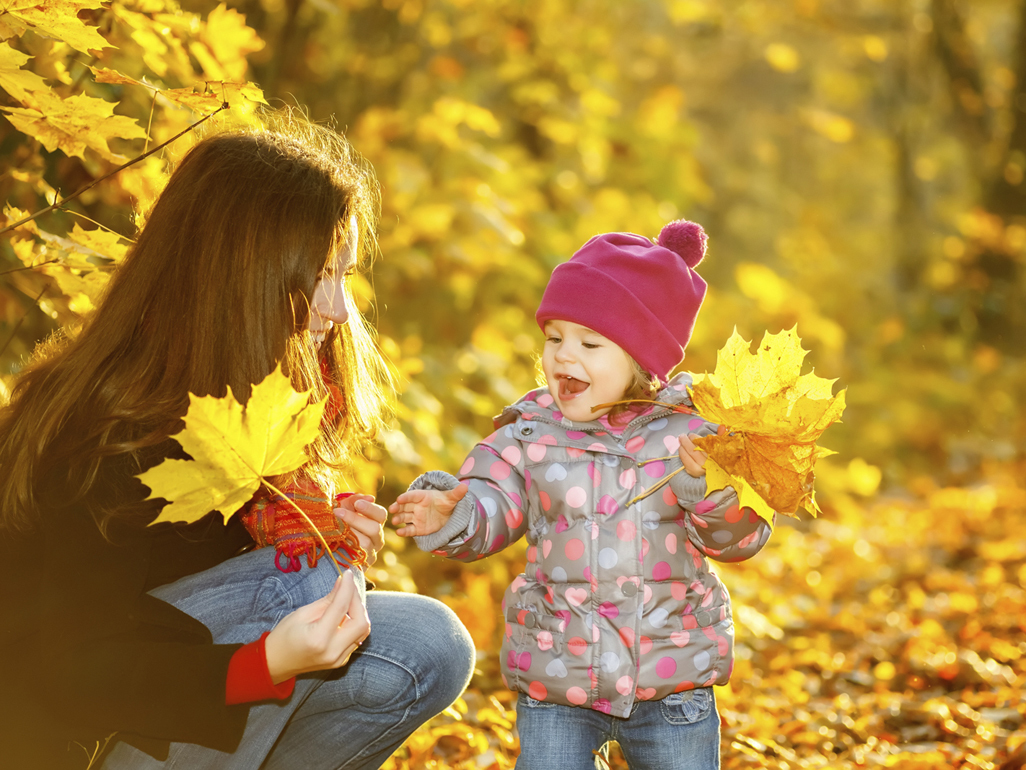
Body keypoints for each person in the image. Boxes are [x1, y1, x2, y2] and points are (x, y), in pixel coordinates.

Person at [0, 112, 475, 770]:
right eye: (321, 277)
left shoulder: (258, 405)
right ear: (243, 283)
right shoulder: (104, 433)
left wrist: (313, 526)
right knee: (304, 581)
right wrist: (265, 663)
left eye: (345, 275)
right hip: (64, 740)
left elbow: (204, 571)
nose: (339, 310)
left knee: (433, 643)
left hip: (169, 706)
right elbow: (73, 671)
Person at [389, 221, 775, 770]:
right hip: (558, 676)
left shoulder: (692, 435)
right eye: (554, 338)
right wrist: (456, 514)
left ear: (642, 362)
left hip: (671, 677)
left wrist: (705, 490)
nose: (564, 357)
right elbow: (494, 499)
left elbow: (744, 538)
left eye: (590, 343)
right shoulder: (530, 433)